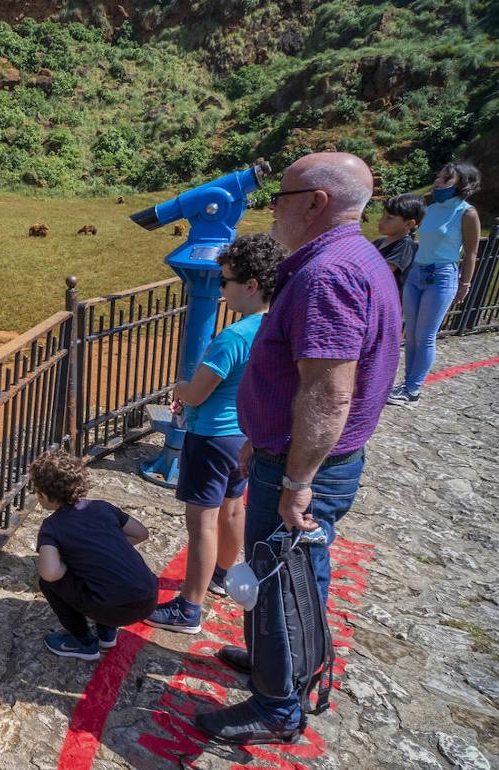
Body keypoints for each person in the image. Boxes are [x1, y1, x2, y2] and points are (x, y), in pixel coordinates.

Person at [194, 152, 401, 744]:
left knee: (283, 580)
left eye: (280, 199)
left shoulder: (326, 275)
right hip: (287, 455)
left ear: (315, 203)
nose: (272, 210)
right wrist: (261, 442)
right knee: (289, 576)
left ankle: (276, 708)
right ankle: (276, 671)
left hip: (300, 468)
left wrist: (295, 481)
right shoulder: (351, 258)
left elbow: (329, 393)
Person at [145, 234, 282, 634]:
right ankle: (222, 574)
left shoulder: (233, 338)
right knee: (234, 507)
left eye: (225, 281)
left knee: (201, 522)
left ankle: (189, 607)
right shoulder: (276, 328)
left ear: (251, 285)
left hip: (211, 438)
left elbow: (198, 391)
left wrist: (180, 391)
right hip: (244, 436)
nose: (222, 289)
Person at [30, 449, 158, 660]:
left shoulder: (52, 527)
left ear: (43, 496)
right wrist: (109, 546)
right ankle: (107, 632)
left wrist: (69, 563)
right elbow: (141, 533)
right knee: (101, 573)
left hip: (113, 607)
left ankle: (83, 642)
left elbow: (50, 573)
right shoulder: (103, 507)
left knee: (50, 584)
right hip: (149, 597)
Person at [388, 161, 483, 406]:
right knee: (411, 334)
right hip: (417, 273)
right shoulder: (430, 206)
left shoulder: (467, 212)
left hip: (442, 276)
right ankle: (406, 385)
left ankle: (413, 390)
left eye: (445, 179)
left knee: (425, 335)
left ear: (462, 185)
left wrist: (465, 284)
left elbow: (471, 252)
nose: (438, 182)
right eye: (438, 177)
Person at [371, 193, 425, 293]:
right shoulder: (379, 242)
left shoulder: (406, 246)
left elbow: (379, 273)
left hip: (386, 302)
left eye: (389, 218)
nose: (381, 221)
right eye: (383, 215)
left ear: (409, 224)